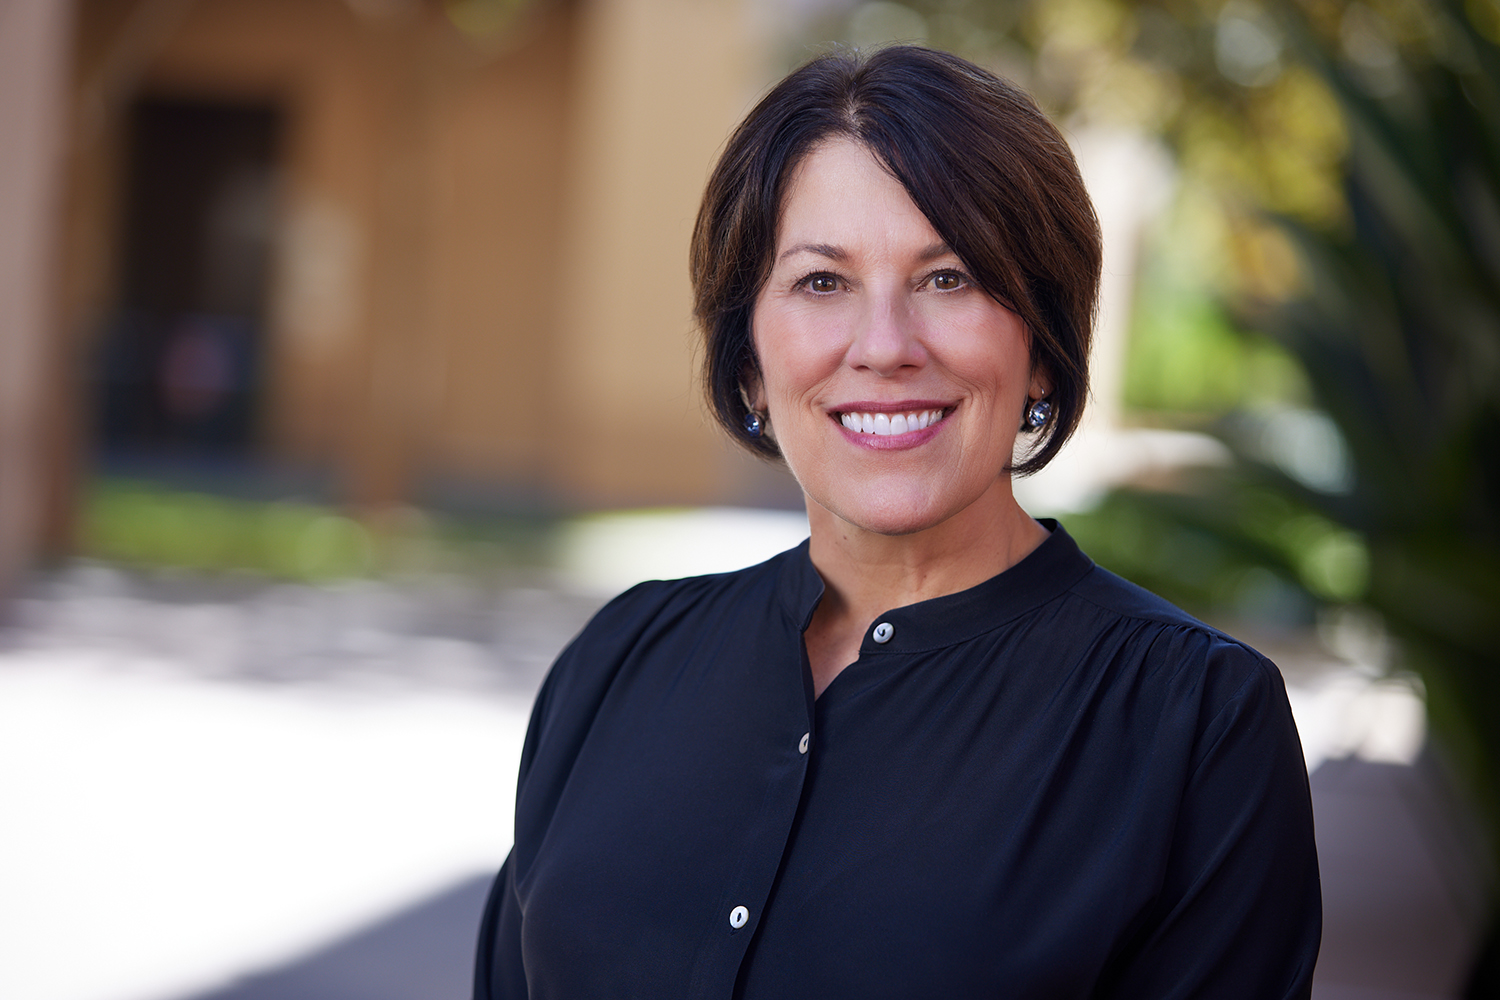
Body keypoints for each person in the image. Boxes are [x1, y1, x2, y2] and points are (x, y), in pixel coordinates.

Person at [474, 45, 1320, 999]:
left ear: (1042, 347)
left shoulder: (1193, 725)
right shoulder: (619, 661)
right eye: (822, 282)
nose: (884, 347)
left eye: (948, 277)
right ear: (749, 359)